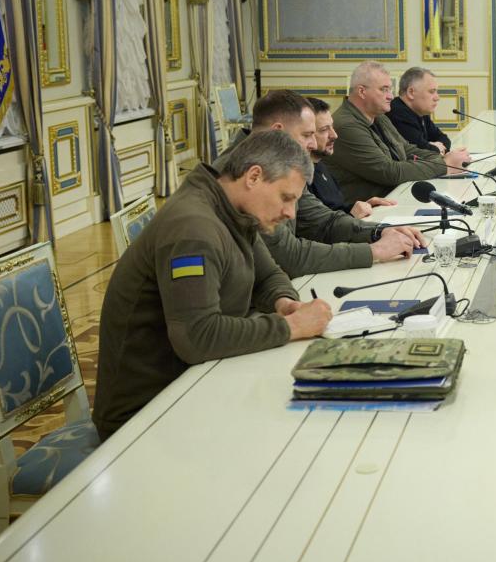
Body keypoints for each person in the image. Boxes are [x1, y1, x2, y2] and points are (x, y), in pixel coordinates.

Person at [93, 130, 333, 439]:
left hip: (194, 383)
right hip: (145, 415)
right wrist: (291, 327)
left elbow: (269, 276)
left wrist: (285, 302)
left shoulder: (232, 209)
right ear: (254, 176)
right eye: (286, 198)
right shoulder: (193, 228)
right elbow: (197, 337)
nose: (289, 213)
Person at [236, 90, 422, 276]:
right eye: (308, 134)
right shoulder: (251, 173)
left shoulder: (278, 162)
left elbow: (324, 221)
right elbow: (288, 256)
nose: (312, 144)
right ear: (278, 132)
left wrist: (378, 232)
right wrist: (374, 251)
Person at [323, 61, 472, 202]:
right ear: (362, 91)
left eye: (390, 89)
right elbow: (389, 172)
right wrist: (444, 165)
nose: (390, 96)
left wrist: (446, 158)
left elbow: (407, 149)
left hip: (393, 196)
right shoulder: (346, 125)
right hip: (365, 211)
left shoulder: (379, 116)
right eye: (384, 89)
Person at [307, 96, 396, 219]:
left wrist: (363, 207)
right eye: (324, 130)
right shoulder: (300, 177)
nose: (334, 135)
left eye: (332, 127)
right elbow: (318, 228)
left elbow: (334, 209)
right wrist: (351, 216)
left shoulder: (320, 164)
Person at [387, 67, 452, 154]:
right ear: (411, 92)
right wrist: (433, 148)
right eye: (432, 92)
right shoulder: (397, 113)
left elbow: (444, 139)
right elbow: (420, 151)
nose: (437, 98)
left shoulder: (421, 112)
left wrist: (432, 147)